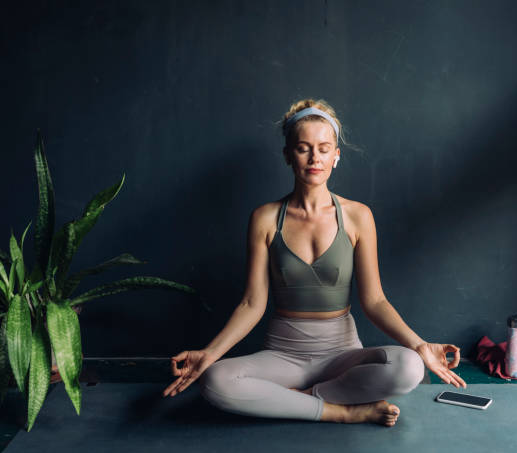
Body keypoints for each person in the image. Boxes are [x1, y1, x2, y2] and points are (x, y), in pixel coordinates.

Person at [163, 98, 467, 426]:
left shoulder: (357, 216)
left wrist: (420, 346)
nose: (314, 158)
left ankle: (300, 399)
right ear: (287, 155)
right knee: (216, 381)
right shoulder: (264, 219)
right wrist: (209, 354)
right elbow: (252, 303)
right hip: (282, 354)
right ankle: (341, 411)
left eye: (324, 148)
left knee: (409, 367)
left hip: (343, 354)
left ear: (336, 156)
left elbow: (375, 301)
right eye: (303, 148)